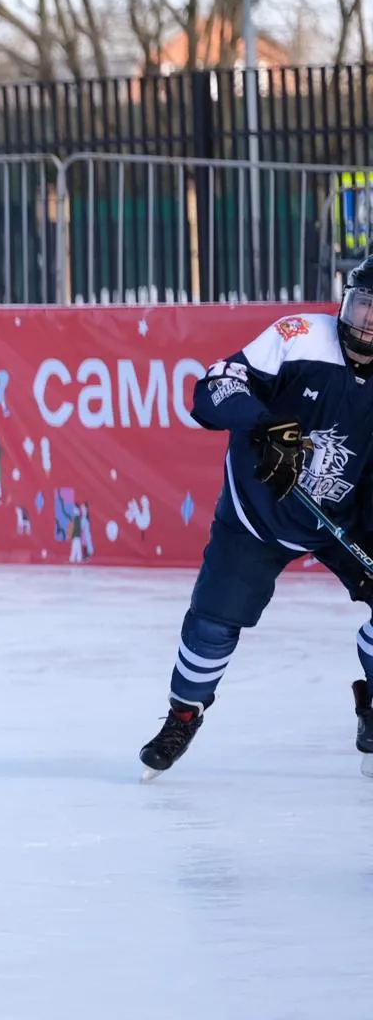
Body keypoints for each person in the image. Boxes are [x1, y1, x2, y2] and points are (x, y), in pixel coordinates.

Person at [139, 261, 373, 777]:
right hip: (259, 511)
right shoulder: (300, 337)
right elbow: (215, 387)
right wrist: (263, 426)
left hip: (346, 514)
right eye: (362, 305)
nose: (366, 322)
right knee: (214, 624)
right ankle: (184, 713)